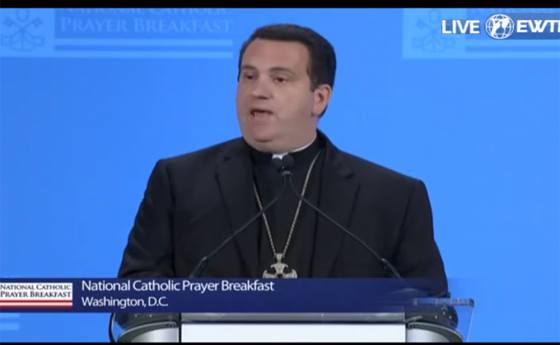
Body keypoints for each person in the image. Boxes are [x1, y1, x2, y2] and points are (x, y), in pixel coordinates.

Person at [117, 23, 448, 295]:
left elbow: (431, 310)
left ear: (319, 98)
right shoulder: (179, 181)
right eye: (248, 76)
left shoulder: (393, 197)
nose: (258, 90)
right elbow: (136, 289)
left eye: (279, 78)